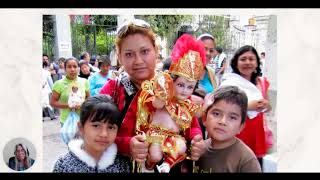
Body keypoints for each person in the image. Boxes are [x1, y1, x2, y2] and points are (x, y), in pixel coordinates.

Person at [99, 18, 205, 173]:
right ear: (120, 57)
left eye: (145, 51)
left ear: (156, 51)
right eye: (129, 54)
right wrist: (126, 144)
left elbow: (192, 124)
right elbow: (93, 133)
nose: (138, 61)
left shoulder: (173, 85)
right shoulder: (112, 90)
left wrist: (197, 142)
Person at [136, 34, 208, 173]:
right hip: (156, 135)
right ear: (172, 81)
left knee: (181, 149)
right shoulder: (163, 97)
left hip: (175, 139)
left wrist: (196, 135)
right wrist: (161, 98)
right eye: (180, 85)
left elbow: (193, 125)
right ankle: (149, 166)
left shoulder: (188, 104)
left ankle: (167, 165)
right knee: (155, 156)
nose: (184, 91)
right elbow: (151, 106)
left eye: (190, 87)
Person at [220, 45, 272, 169]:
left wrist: (266, 105)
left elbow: (268, 107)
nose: (247, 62)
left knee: (254, 166)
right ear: (236, 63)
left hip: (256, 133)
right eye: (243, 59)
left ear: (257, 63)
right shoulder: (230, 82)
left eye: (251, 59)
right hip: (236, 131)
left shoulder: (262, 82)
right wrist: (248, 106)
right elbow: (222, 106)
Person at [53, 95, 130, 173]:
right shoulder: (64, 166)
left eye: (110, 127)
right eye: (96, 126)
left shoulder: (123, 164)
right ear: (81, 127)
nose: (104, 134)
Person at [194, 86, 261, 172]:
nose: (223, 122)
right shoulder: (198, 149)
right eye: (216, 114)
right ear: (204, 119)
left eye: (232, 117)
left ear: (241, 127)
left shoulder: (246, 160)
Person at [50, 57, 90, 126]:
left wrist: (83, 105)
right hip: (66, 121)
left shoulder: (84, 82)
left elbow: (89, 99)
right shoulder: (58, 84)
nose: (72, 69)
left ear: (78, 68)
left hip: (83, 120)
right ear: (65, 69)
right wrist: (69, 106)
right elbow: (52, 103)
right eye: (69, 67)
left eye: (75, 67)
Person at [195, 33, 218, 98]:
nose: (208, 53)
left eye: (211, 51)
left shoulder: (210, 72)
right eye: (204, 49)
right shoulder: (185, 69)